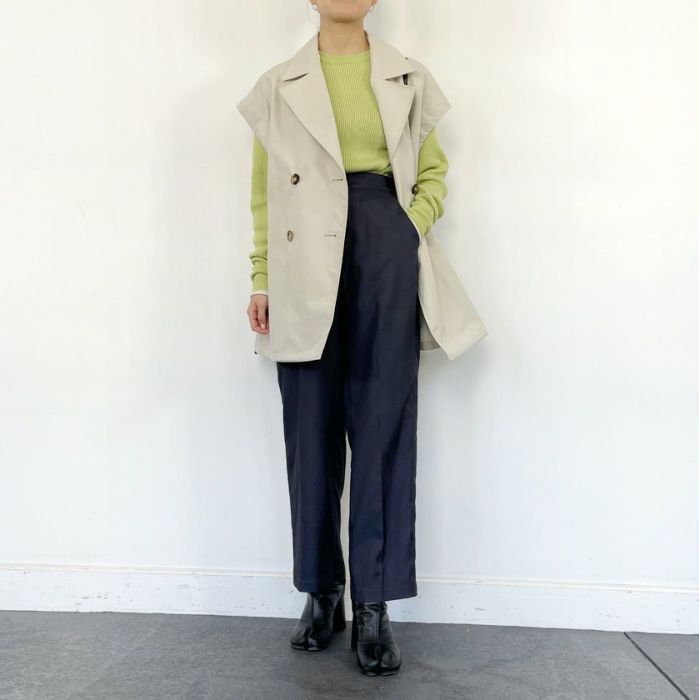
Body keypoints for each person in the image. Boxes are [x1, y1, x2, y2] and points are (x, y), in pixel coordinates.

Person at [241, 1, 451, 677]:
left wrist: (406, 225)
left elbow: (433, 172)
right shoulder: (278, 84)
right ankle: (322, 589)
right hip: (303, 256)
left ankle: (374, 605)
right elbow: (265, 196)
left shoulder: (407, 75)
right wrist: (262, 277)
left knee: (383, 425)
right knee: (310, 426)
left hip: (382, 246)